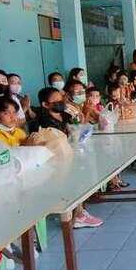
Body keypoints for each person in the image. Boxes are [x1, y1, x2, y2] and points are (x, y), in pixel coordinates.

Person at [35, 88, 103, 229]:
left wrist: (81, 116)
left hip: (71, 152)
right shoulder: (43, 122)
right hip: (54, 160)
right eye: (56, 101)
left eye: (61, 99)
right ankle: (78, 215)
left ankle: (79, 208)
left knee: (86, 164)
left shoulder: (65, 115)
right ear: (45, 104)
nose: (60, 102)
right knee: (75, 173)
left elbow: (78, 127)